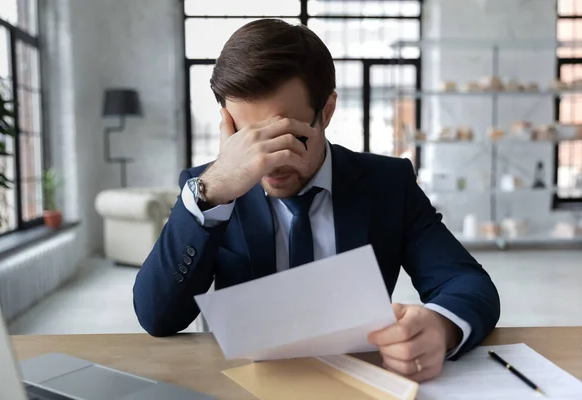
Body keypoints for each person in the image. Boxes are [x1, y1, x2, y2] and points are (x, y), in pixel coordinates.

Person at [133, 19, 500, 382]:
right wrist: (211, 192)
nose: (270, 160)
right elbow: (157, 316)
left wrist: (440, 327)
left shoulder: (387, 184)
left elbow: (466, 282)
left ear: (326, 112)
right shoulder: (208, 191)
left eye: (289, 136)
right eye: (249, 138)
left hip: (358, 382)